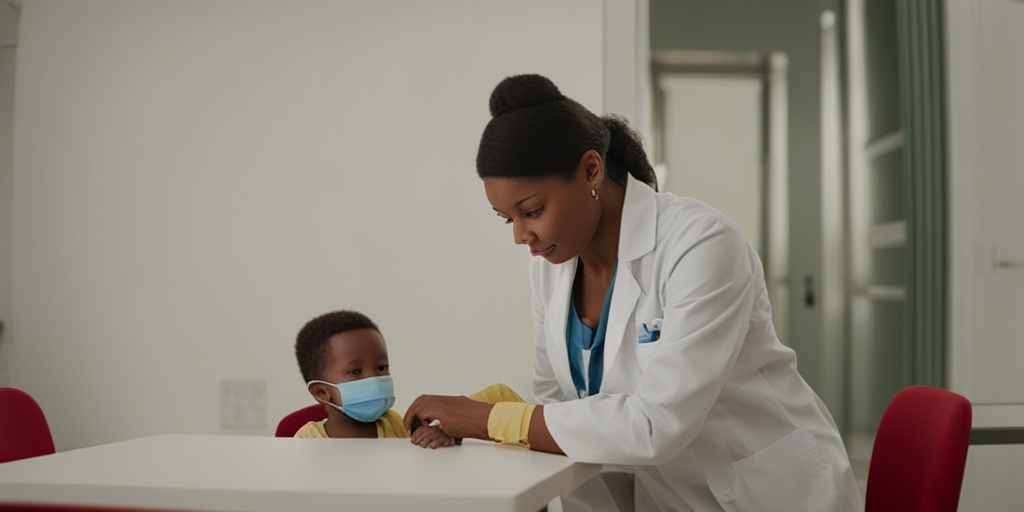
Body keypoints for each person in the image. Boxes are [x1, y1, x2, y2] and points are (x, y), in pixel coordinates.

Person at [403, 74, 863, 511]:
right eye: (509, 219)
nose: (521, 236)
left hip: (771, 496)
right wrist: (486, 414)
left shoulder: (701, 244)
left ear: (590, 170)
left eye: (532, 210)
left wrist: (487, 420)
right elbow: (564, 414)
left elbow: (656, 425)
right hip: (668, 497)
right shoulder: (551, 267)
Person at [294, 309, 522, 447]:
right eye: (356, 372)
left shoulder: (393, 423)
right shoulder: (308, 441)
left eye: (382, 367)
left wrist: (445, 438)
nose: (375, 378)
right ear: (322, 392)